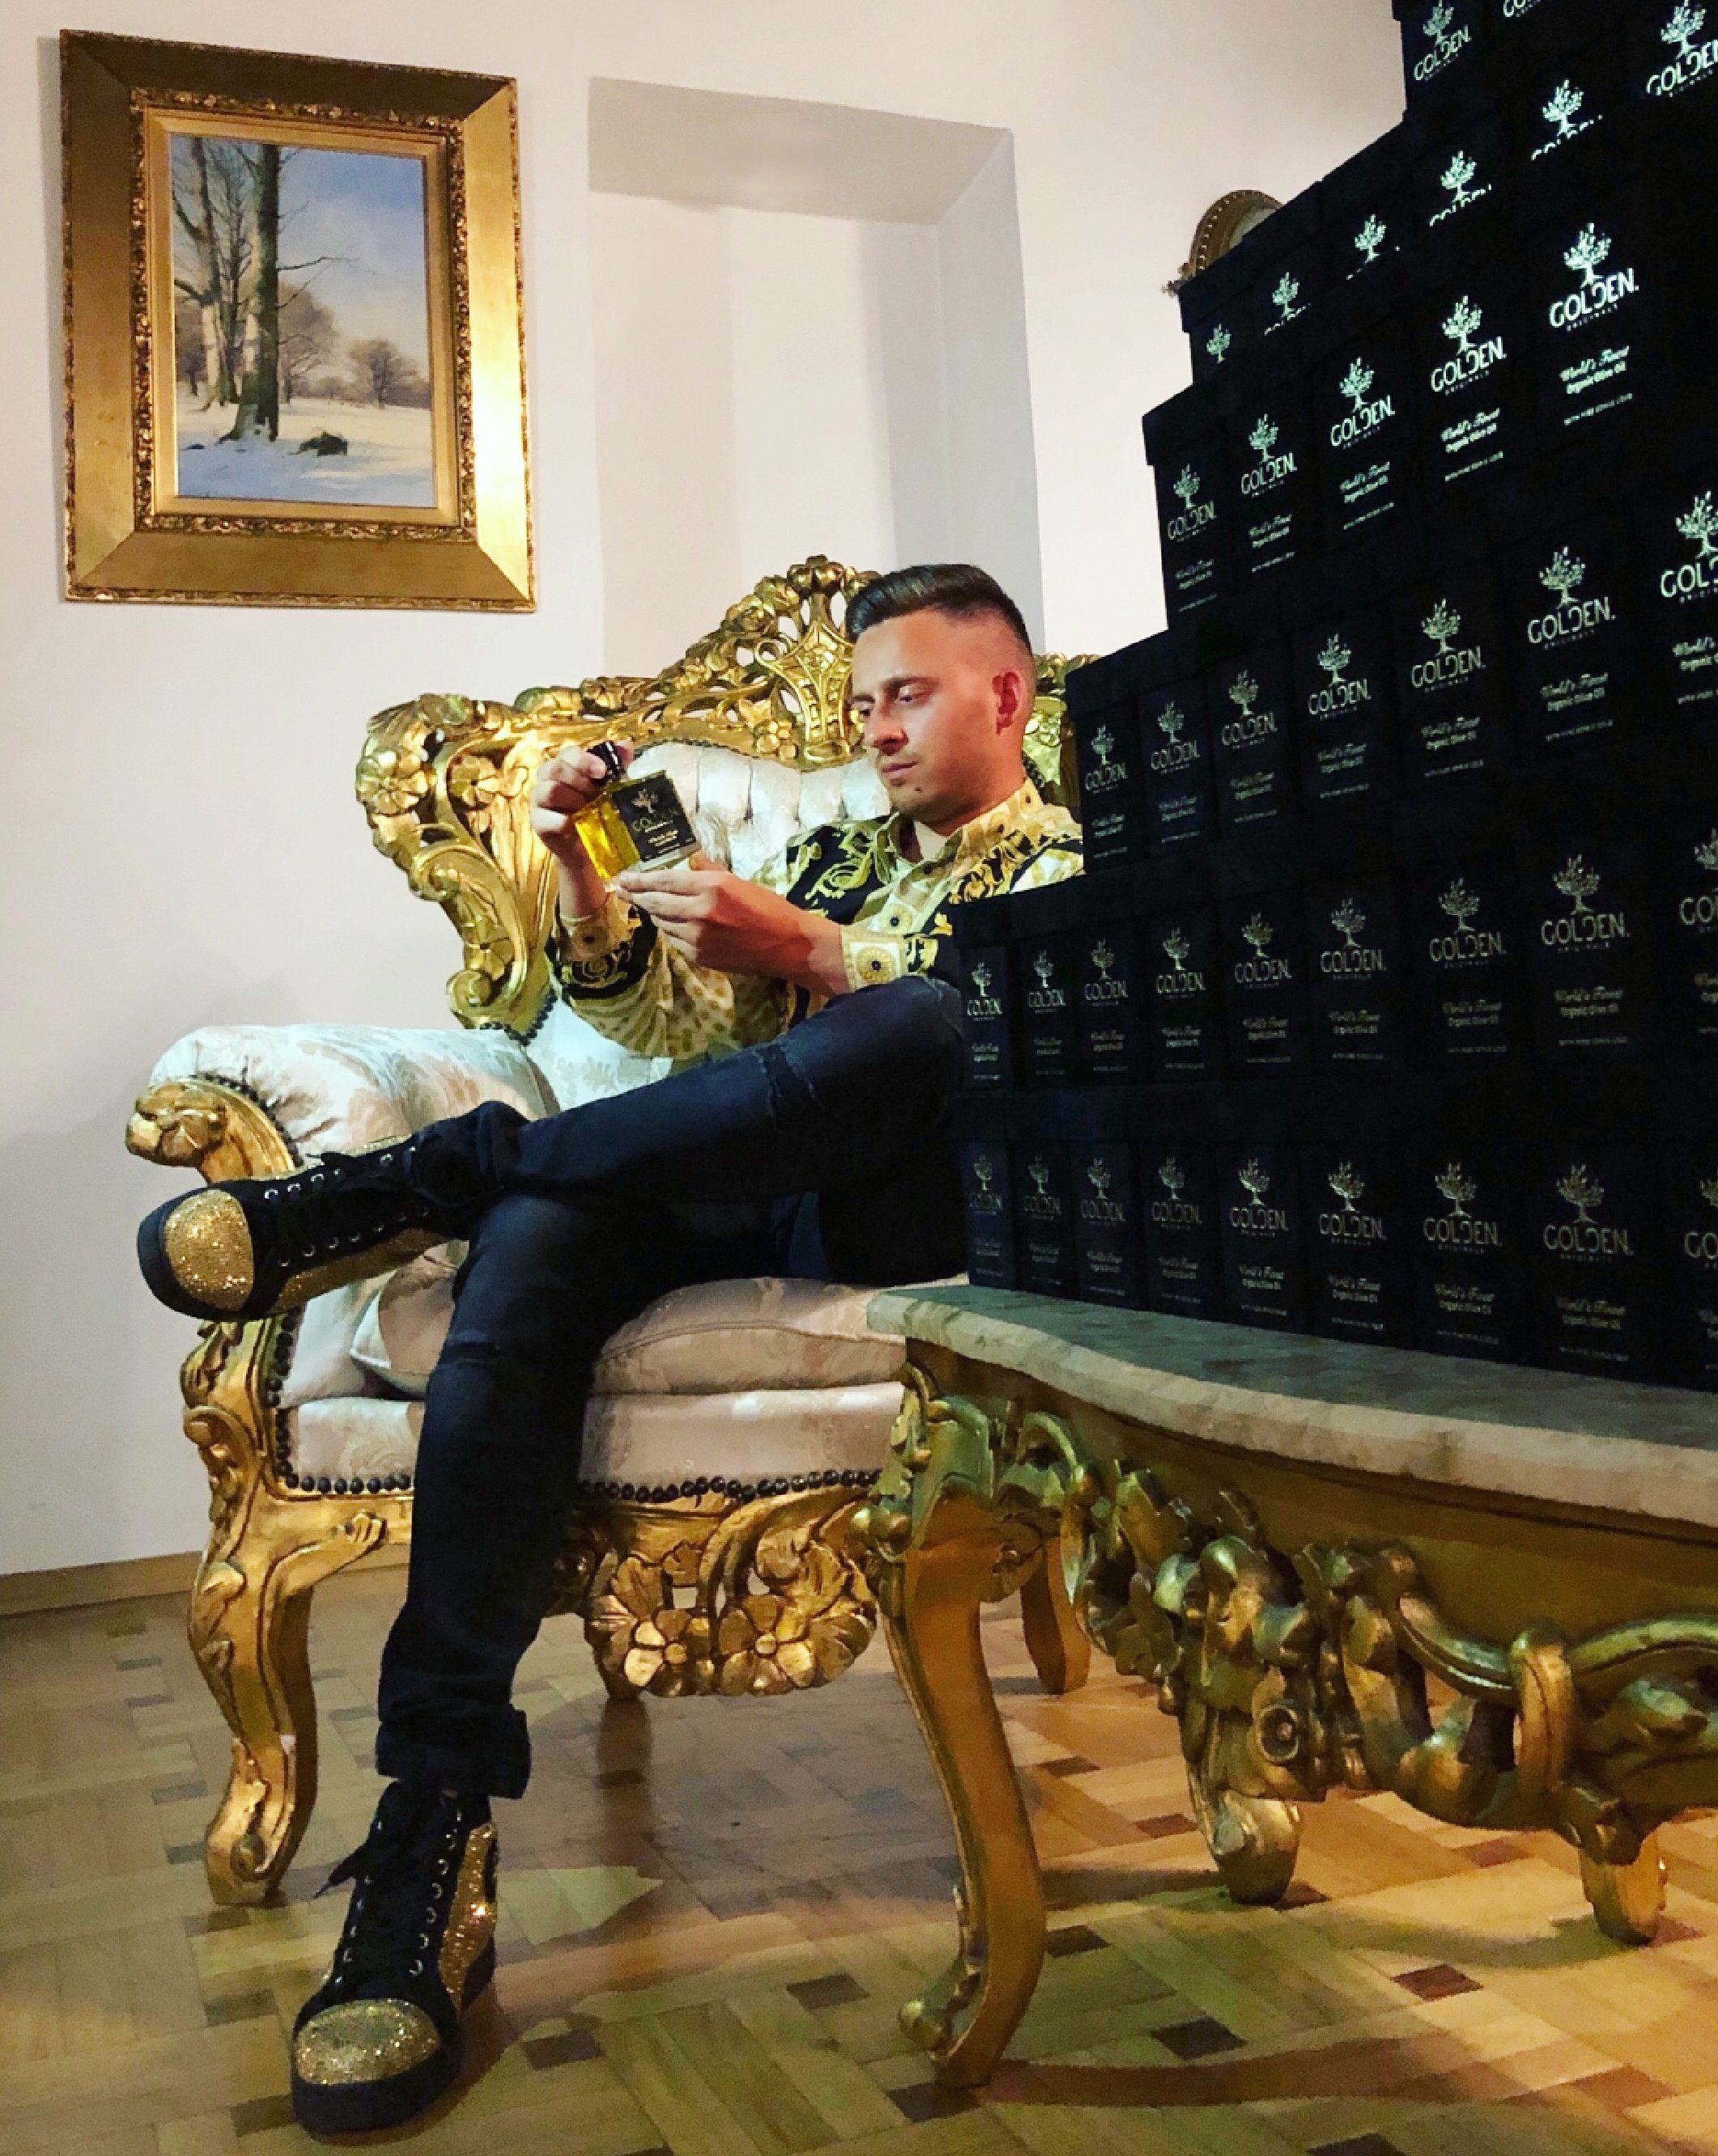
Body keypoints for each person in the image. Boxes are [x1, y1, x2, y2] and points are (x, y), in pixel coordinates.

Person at [135, 564, 1083, 2133]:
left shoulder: (1067, 864)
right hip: (755, 1181)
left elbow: (1027, 1047)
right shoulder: (841, 847)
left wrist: (817, 950)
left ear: (1005, 692)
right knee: (542, 1235)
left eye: (907, 695)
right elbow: (683, 1050)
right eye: (863, 703)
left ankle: (420, 1181)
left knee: (921, 1015)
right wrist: (594, 892)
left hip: (911, 1214)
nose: (874, 729)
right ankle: (435, 1817)